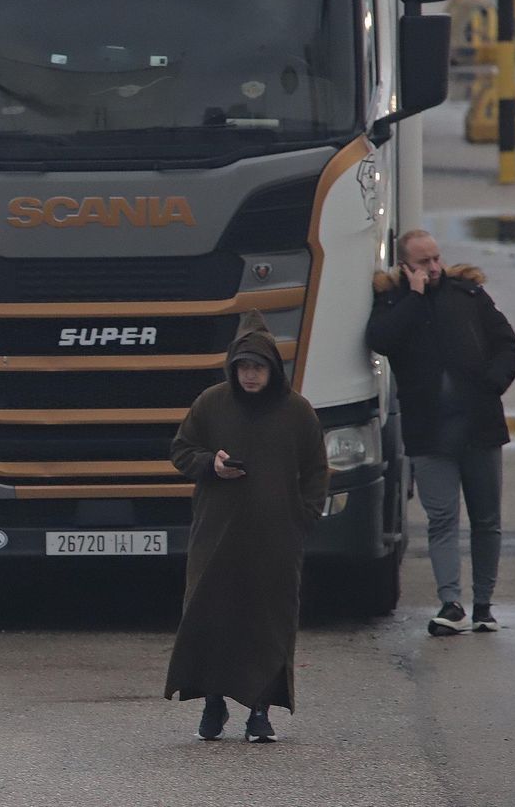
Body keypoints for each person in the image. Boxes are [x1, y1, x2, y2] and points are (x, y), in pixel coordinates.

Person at [165, 310, 329, 743]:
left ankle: (260, 711)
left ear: (272, 370)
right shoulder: (211, 403)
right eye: (243, 367)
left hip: (275, 540)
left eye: (257, 367)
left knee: (268, 620)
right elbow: (182, 451)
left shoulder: (297, 412)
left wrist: (303, 516)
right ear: (232, 369)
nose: (250, 375)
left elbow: (316, 470)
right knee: (211, 616)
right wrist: (210, 464)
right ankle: (213, 704)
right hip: (216, 536)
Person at [365, 229, 515, 636]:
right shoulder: (393, 301)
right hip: (429, 432)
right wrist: (414, 298)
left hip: (479, 425)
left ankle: (484, 605)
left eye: (436, 259)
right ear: (405, 266)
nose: (434, 268)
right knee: (442, 518)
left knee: (486, 519)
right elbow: (379, 340)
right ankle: (451, 603)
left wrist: (492, 382)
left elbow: (508, 345)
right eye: (423, 263)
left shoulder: (467, 294)